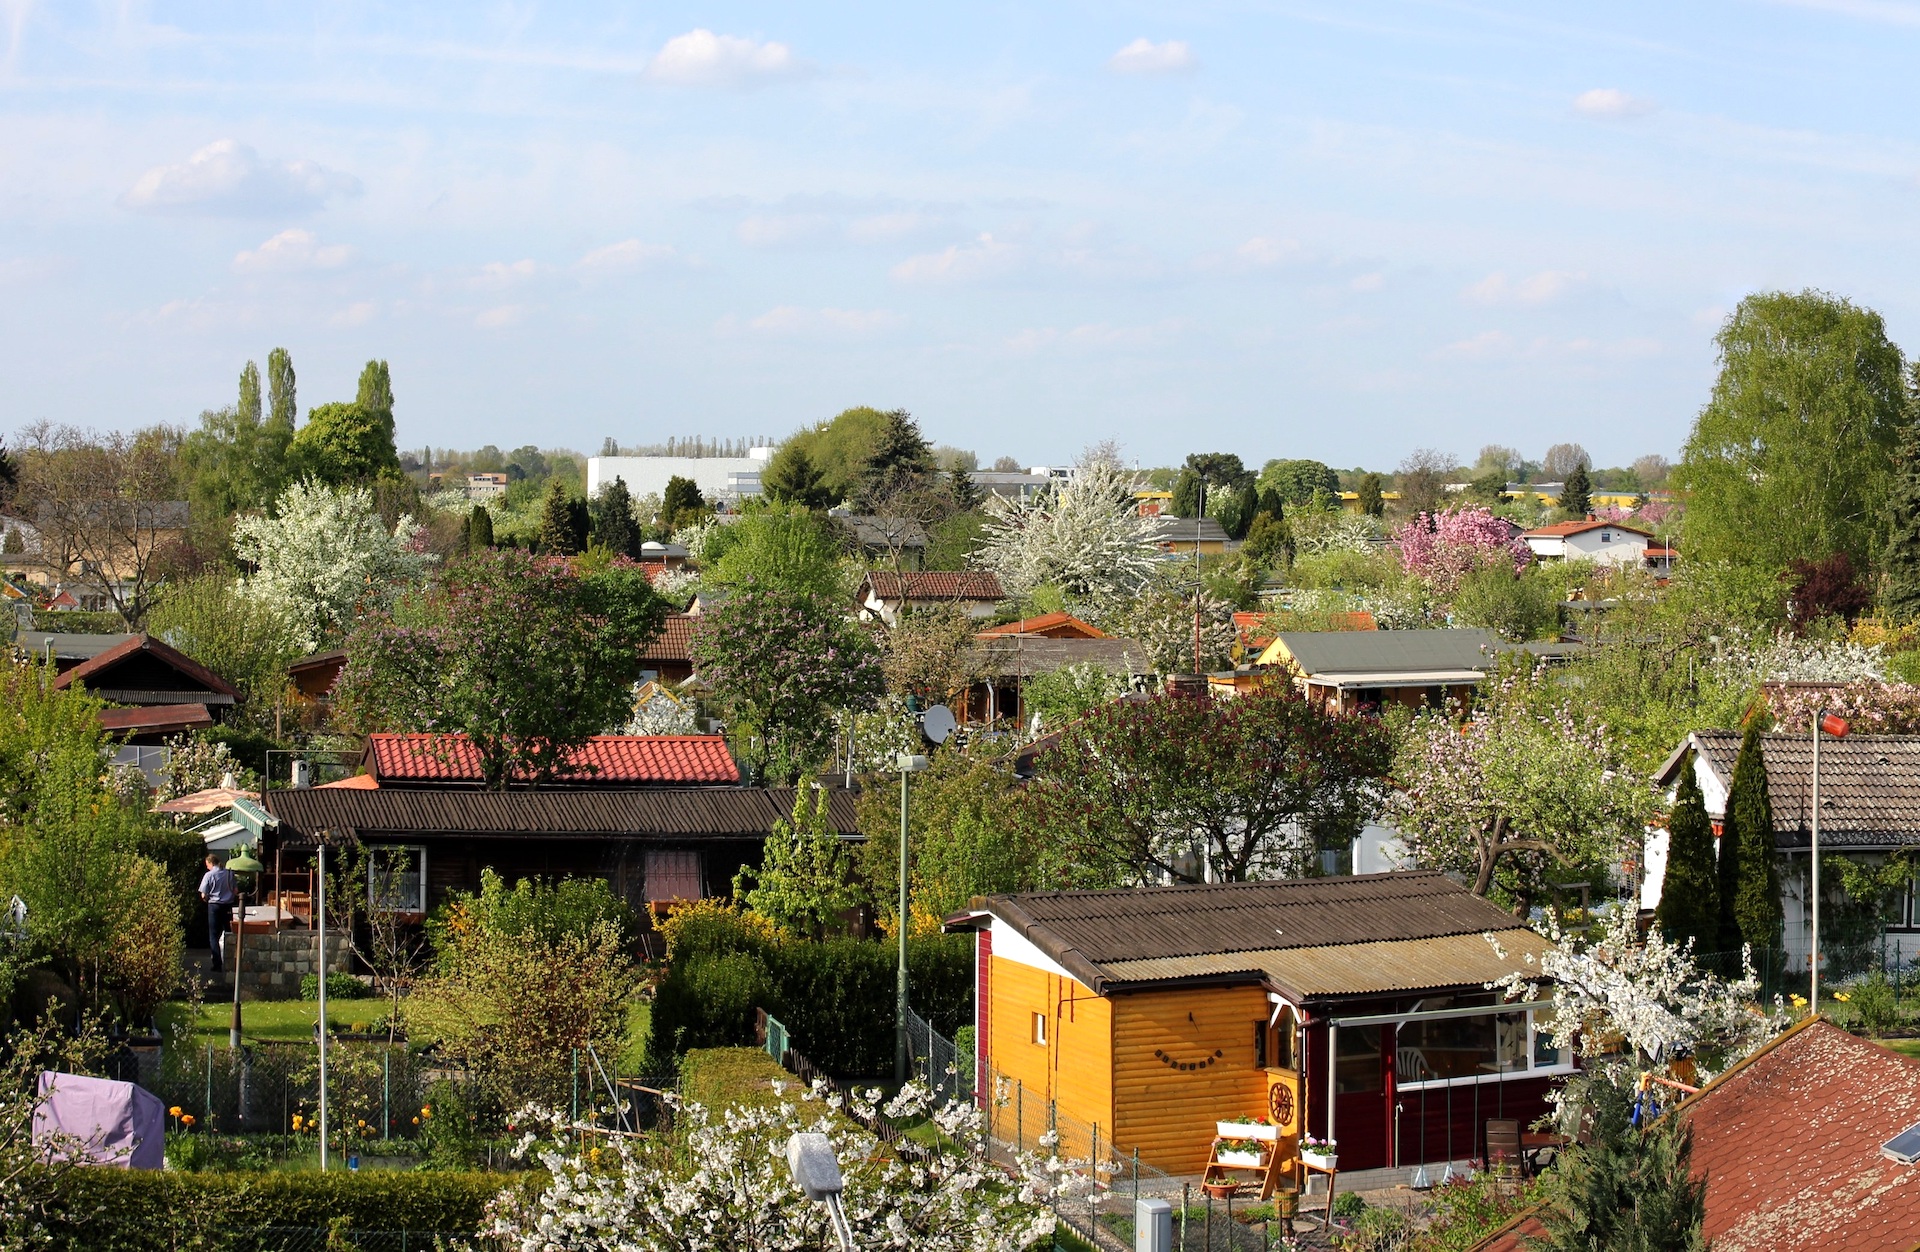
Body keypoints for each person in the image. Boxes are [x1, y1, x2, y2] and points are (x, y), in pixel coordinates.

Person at [198, 853, 238, 974]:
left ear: (210, 863)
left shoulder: (209, 875)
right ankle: (231, 961)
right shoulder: (229, 874)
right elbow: (236, 891)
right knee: (229, 933)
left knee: (213, 935)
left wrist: (206, 899)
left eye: (207, 865)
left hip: (214, 906)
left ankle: (217, 964)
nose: (207, 868)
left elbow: (203, 894)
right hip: (228, 906)